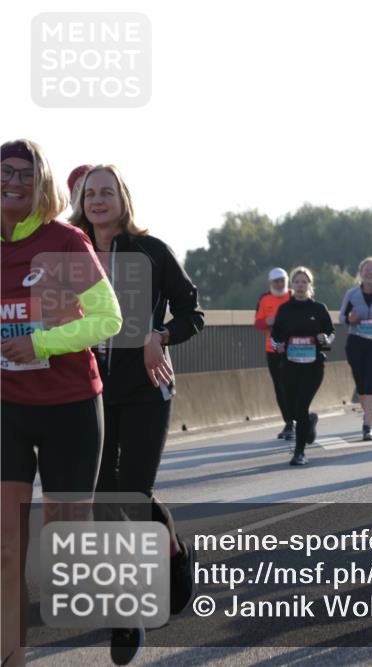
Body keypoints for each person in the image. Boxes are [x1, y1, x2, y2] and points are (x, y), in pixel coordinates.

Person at [70, 164, 205, 661]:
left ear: (123, 199)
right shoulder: (68, 250)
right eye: (91, 192)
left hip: (147, 388)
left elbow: (194, 313)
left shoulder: (151, 251)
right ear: (81, 200)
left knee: (132, 491)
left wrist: (160, 335)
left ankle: (165, 556)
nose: (99, 200)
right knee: (106, 498)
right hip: (87, 391)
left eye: (108, 191)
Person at [2, 139, 123, 667]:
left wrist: (41, 343)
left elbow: (109, 320)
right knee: (6, 546)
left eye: (26, 174)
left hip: (70, 406)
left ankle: (123, 607)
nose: (14, 182)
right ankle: (10, 654)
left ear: (42, 182)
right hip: (7, 408)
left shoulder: (67, 242)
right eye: (5, 172)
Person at [271, 267, 335, 466]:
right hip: (289, 366)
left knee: (301, 405)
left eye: (304, 282)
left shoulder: (318, 309)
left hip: (313, 366)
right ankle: (309, 420)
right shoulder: (285, 310)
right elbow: (274, 336)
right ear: (292, 286)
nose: (300, 286)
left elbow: (331, 334)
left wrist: (324, 338)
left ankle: (299, 453)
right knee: (291, 410)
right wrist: (278, 345)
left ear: (310, 286)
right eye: (297, 282)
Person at [339, 257, 372, 441]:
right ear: (360, 272)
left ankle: (368, 424)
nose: (369, 272)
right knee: (361, 385)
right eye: (366, 269)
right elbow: (341, 317)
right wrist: (350, 320)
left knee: (370, 382)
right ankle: (367, 413)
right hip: (356, 343)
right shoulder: (351, 294)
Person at [255, 268, 293, 439]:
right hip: (273, 349)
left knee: (294, 385)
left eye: (282, 281)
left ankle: (299, 417)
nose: (279, 284)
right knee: (280, 387)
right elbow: (257, 323)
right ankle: (288, 422)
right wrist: (266, 321)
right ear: (271, 283)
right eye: (276, 281)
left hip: (294, 349)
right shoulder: (265, 299)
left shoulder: (293, 296)